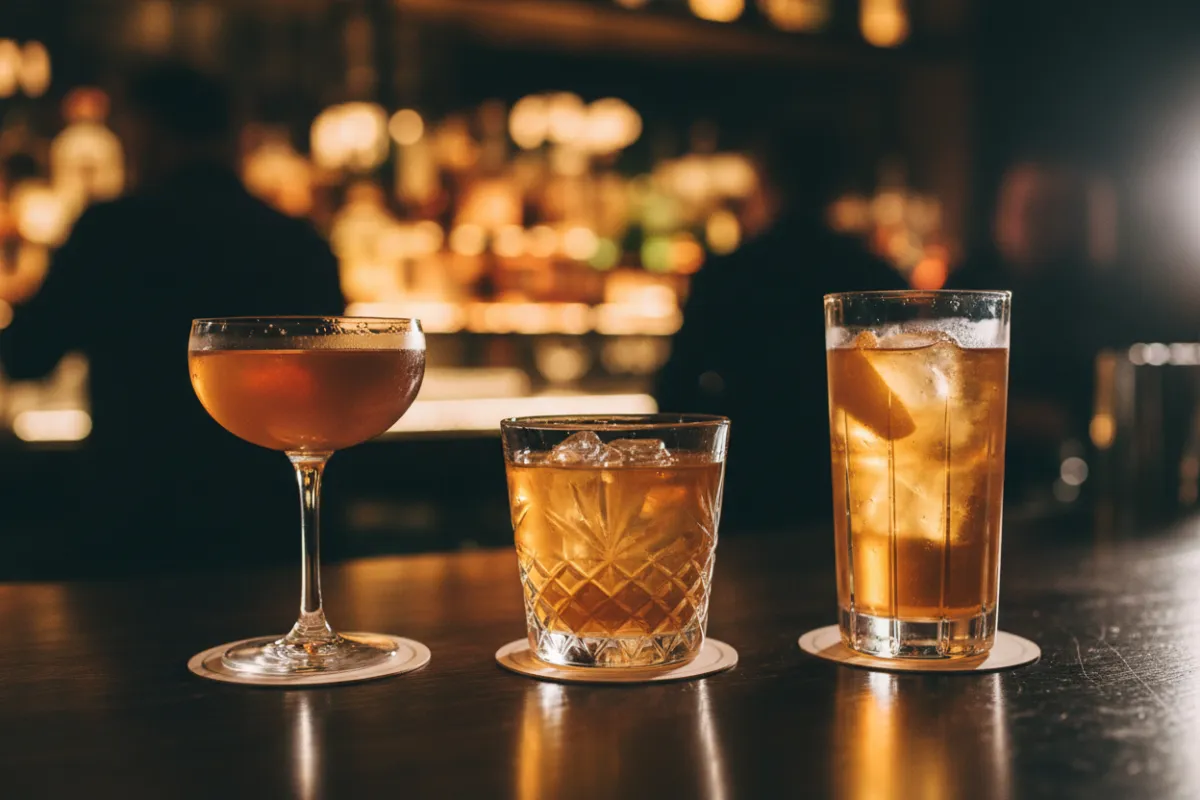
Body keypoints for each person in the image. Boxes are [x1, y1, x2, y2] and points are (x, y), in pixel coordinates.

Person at [0, 61, 345, 571]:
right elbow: (331, 377)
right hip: (270, 523)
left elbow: (27, 354)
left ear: (144, 130)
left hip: (136, 518)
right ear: (232, 133)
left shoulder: (110, 231)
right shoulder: (299, 241)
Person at [655, 124, 907, 531]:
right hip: (855, 496)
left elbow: (674, 393)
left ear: (765, 181)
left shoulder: (726, 273)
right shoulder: (880, 277)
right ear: (839, 186)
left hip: (746, 492)